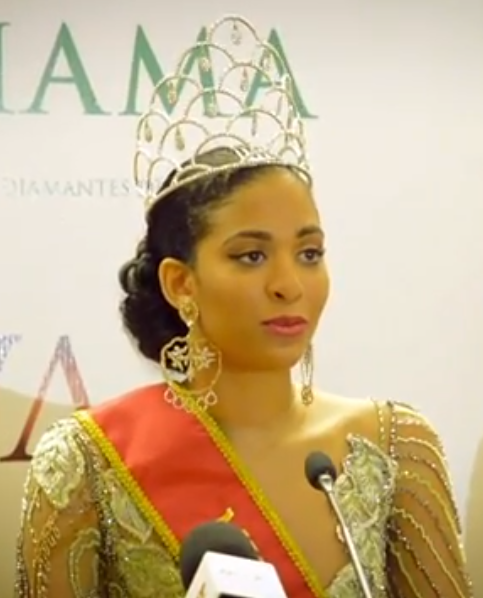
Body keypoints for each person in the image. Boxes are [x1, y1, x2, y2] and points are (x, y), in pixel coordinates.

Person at [14, 14, 472, 598]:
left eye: (309, 253)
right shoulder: (87, 461)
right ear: (181, 284)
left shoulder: (396, 446)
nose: (289, 284)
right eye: (251, 256)